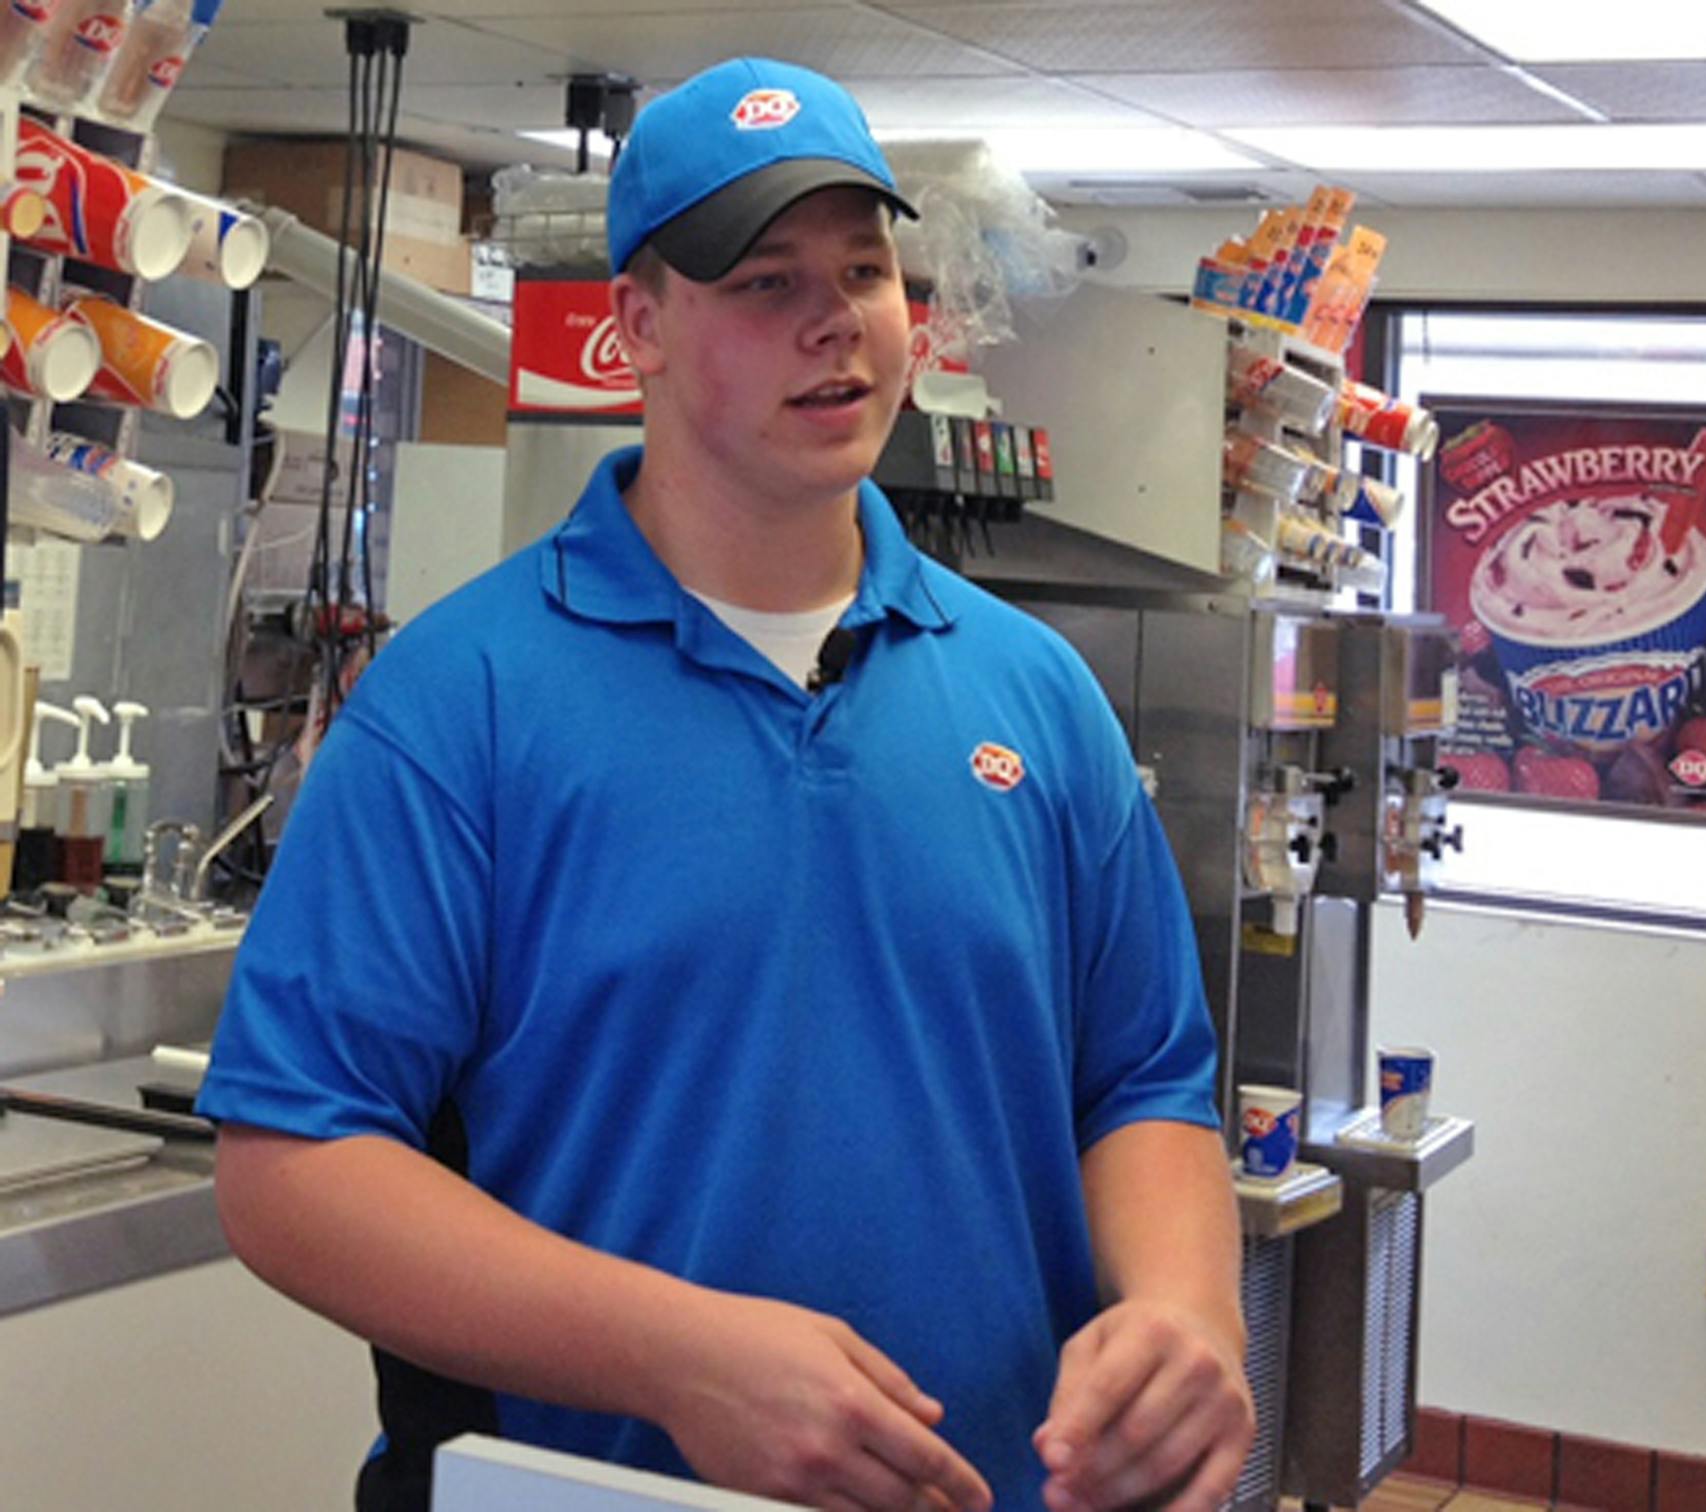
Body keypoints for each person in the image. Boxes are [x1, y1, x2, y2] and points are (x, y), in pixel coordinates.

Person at [198, 54, 1253, 1512]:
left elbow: (1141, 1081)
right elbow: (291, 1162)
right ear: (638, 325)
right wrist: (672, 1357)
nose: (836, 321)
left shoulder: (1035, 696)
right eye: (765, 282)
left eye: (865, 270)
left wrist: (1188, 1318)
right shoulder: (460, 707)